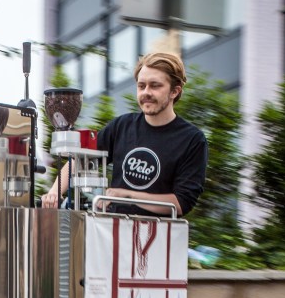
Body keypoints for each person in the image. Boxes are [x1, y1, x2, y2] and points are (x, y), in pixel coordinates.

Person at [41, 51, 207, 217]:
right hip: (114, 230)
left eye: (155, 85)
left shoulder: (192, 140)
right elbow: (80, 160)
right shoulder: (122, 126)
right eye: (141, 86)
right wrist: (55, 192)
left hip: (161, 237)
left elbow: (181, 203)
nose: (146, 92)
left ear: (174, 91)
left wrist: (127, 195)